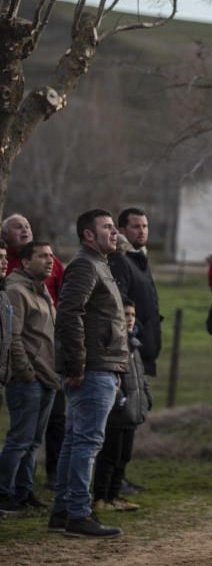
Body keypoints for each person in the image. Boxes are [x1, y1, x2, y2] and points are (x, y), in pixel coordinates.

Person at [50, 209, 129, 538]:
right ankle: (79, 515)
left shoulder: (101, 264)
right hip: (92, 369)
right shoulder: (85, 264)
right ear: (88, 235)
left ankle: (63, 512)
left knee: (74, 441)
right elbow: (69, 314)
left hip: (101, 366)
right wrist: (78, 364)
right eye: (108, 228)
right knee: (86, 442)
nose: (115, 232)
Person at [0, 241, 57, 514]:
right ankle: (4, 494)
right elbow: (14, 336)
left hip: (47, 376)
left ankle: (24, 493)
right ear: (24, 262)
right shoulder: (16, 290)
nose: (49, 260)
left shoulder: (42, 290)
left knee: (34, 441)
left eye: (51, 256)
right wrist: (26, 372)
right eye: (42, 256)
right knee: (20, 440)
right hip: (28, 379)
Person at [92, 299, 151, 512]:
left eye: (132, 315)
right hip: (117, 409)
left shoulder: (134, 343)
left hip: (133, 409)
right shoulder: (113, 342)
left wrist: (146, 397)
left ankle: (114, 495)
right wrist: (118, 399)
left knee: (124, 456)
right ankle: (101, 497)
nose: (130, 319)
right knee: (110, 456)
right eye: (125, 314)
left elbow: (141, 375)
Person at [109, 208, 163, 376]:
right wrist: (139, 335)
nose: (142, 231)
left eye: (145, 226)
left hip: (144, 353)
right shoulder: (119, 260)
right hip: (130, 352)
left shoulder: (139, 259)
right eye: (136, 226)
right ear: (122, 230)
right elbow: (119, 304)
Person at [2, 214, 65, 304]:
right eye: (18, 227)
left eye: (27, 227)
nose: (25, 230)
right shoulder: (3, 261)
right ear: (5, 234)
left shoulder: (50, 259)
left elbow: (64, 294)